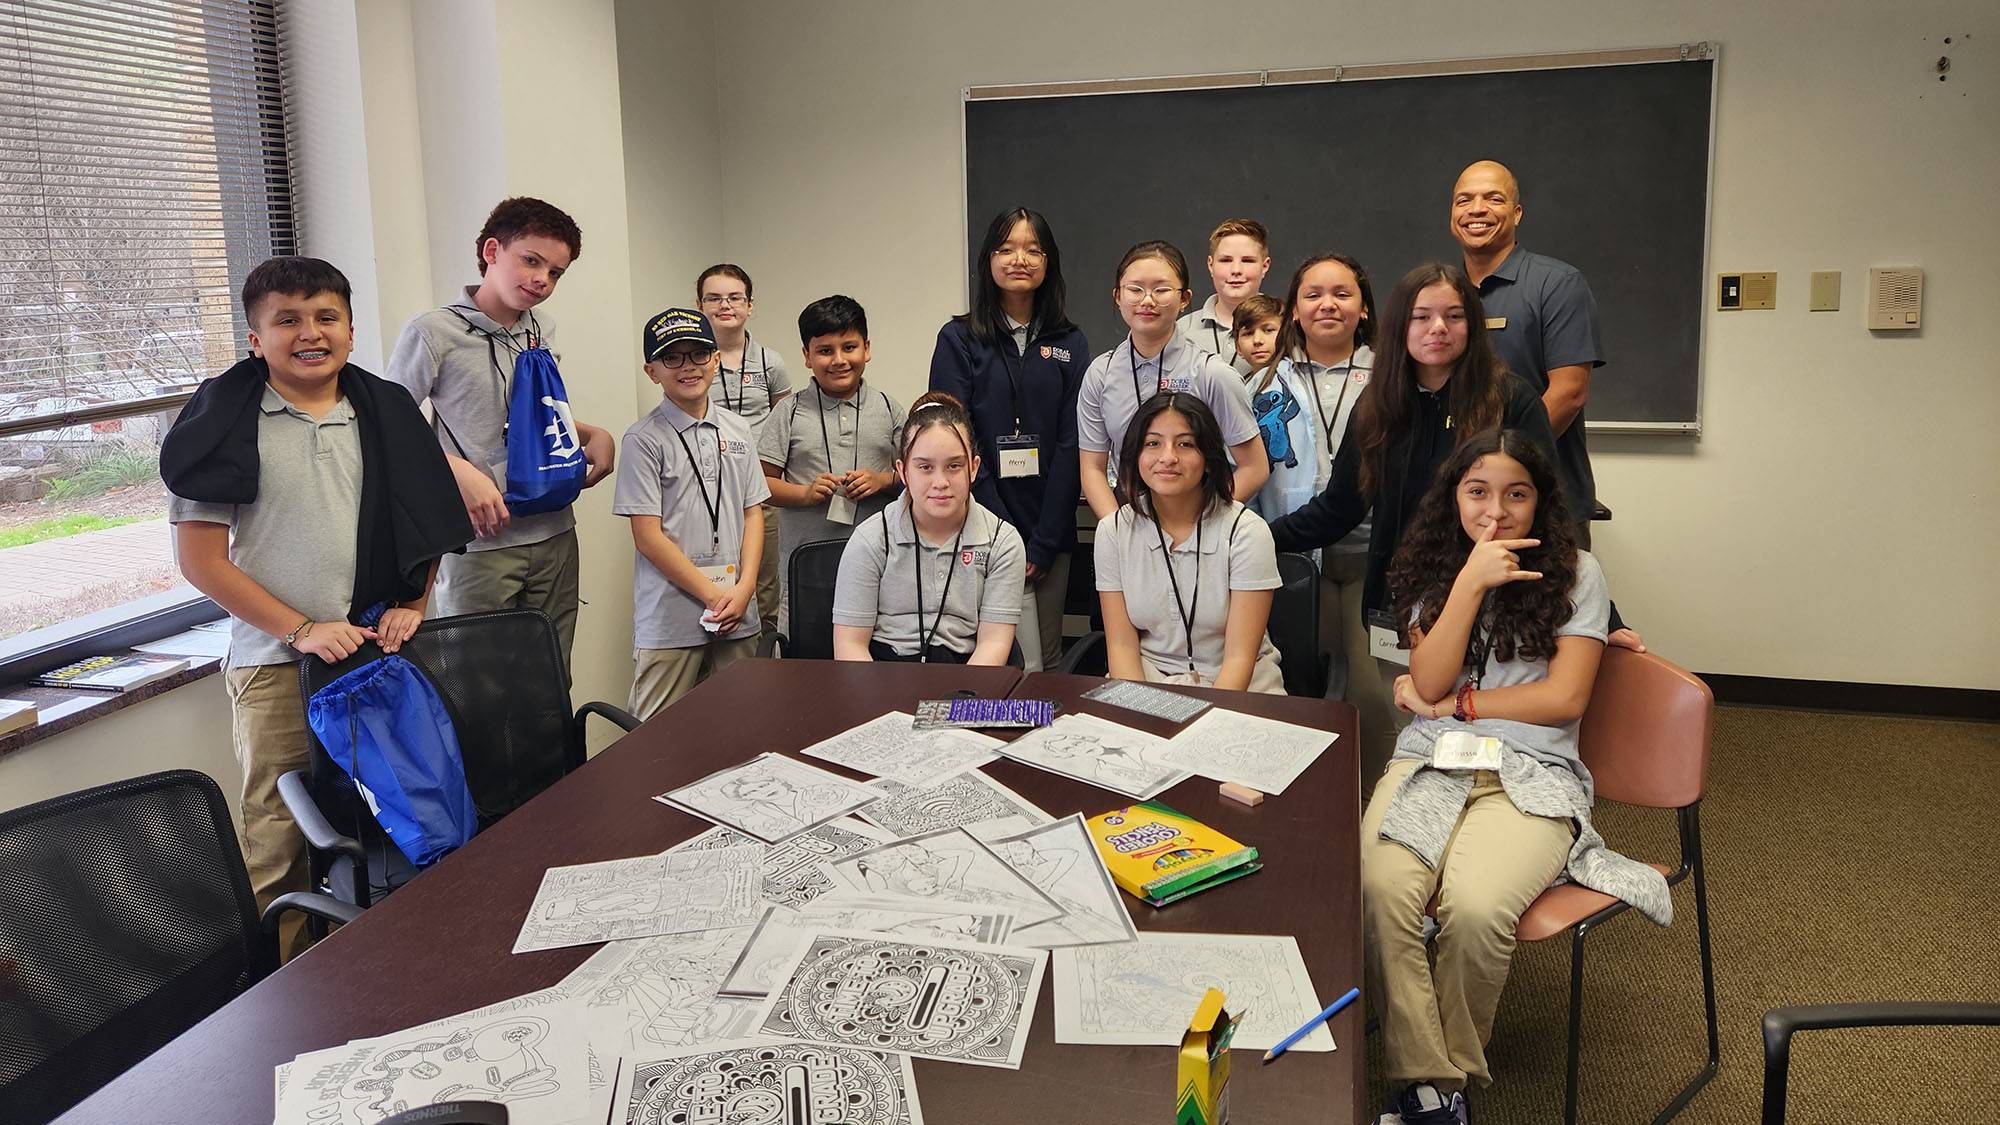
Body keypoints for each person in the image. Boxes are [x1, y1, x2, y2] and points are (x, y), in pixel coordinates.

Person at [163, 257, 472, 958]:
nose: (310, 333)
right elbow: (201, 561)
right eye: (288, 319)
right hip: (274, 666)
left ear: (351, 329)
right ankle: (285, 989)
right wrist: (300, 629)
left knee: (398, 820)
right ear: (254, 337)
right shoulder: (222, 425)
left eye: (326, 316)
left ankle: (392, 965)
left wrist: (414, 603)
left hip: (374, 658)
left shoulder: (386, 411)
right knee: (280, 836)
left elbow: (424, 519)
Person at [1360, 429, 1669, 1124]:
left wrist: (1459, 703)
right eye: (1478, 492)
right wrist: (1470, 580)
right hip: (1433, 759)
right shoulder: (1432, 565)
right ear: (1454, 497)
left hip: (1533, 771)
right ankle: (1433, 1089)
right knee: (1382, 887)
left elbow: (1563, 699)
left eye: (1516, 493)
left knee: (1474, 909)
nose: (1496, 510)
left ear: (1541, 501)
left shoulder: (1580, 574)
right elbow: (1430, 673)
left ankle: (1443, 1084)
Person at [1269, 262, 1558, 782]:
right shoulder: (1379, 405)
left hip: (1497, 601)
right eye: (1421, 317)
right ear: (1399, 326)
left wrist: (1609, 618)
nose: (1437, 329)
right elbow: (1341, 507)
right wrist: (1252, 540)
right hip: (1402, 602)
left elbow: (1554, 509)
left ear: (1472, 323)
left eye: (1452, 316)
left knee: (1476, 733)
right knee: (1404, 726)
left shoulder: (1509, 399)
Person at [384, 197, 615, 674]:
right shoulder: (433, 332)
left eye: (555, 272)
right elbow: (389, 429)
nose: (541, 281)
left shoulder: (540, 330)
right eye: (531, 261)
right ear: (492, 251)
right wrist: (458, 472)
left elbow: (534, 419)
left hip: (554, 531)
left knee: (551, 677)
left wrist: (594, 433)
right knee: (480, 687)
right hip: (480, 544)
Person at [929, 207, 1088, 672]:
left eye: (1033, 249)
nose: (1019, 259)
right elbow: (957, 441)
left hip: (1050, 526)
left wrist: (1041, 540)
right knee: (991, 655)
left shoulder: (1069, 341)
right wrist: (1005, 534)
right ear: (988, 260)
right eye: (1006, 248)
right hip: (979, 523)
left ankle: (1041, 744)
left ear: (1049, 262)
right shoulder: (958, 338)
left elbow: (1071, 441)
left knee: (1048, 657)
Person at [1242, 254, 1384, 718]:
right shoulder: (1263, 382)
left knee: (1371, 696)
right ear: (1294, 310)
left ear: (1364, 308)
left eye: (1342, 295)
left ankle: (1368, 789)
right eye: (1313, 295)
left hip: (1372, 556)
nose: (1328, 305)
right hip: (1288, 558)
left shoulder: (1391, 377)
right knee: (1300, 689)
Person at [614, 307, 767, 718]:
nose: (688, 367)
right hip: (671, 615)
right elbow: (647, 536)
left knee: (741, 725)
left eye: (699, 354)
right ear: (652, 371)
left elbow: (754, 513)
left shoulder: (739, 430)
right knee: (655, 739)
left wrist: (746, 588)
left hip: (738, 607)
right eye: (672, 358)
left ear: (716, 359)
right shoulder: (643, 440)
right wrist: (713, 595)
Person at [1449, 160, 1604, 545]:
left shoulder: (1557, 283)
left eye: (1493, 198)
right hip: (1461, 502)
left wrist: (1502, 465)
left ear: (1516, 213)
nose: (1477, 209)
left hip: (1544, 501)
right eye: (1464, 200)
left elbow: (1569, 392)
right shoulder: (1443, 292)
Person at [1094, 393, 1283, 693]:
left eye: (1185, 444)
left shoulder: (1246, 532)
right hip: (1148, 681)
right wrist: (1139, 713)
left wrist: (1202, 734)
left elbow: (1239, 659)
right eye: (1153, 443)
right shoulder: (1113, 531)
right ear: (1136, 456)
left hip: (1242, 687)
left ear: (1208, 459)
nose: (1168, 457)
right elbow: (1121, 649)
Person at [1078, 240, 1266, 521]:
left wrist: (1200, 522)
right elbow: (1092, 467)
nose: (1147, 300)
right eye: (1135, 289)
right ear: (1118, 296)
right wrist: (1116, 530)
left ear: (1185, 299)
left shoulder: (1212, 374)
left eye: (1162, 289)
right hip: (1127, 519)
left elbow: (1255, 467)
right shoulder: (1100, 374)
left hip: (1200, 524)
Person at [832, 392, 1025, 665]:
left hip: (968, 673)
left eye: (954, 466)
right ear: (903, 471)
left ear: (973, 468)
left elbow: (994, 643)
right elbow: (850, 646)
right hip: (884, 674)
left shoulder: (1002, 542)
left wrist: (960, 704)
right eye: (924, 467)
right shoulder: (871, 539)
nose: (940, 482)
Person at [759, 295, 907, 634]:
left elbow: (915, 475)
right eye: (825, 350)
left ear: (867, 349)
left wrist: (883, 481)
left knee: (872, 661)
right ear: (807, 357)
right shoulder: (789, 412)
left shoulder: (889, 408)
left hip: (879, 563)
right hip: (804, 567)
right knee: (805, 665)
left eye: (849, 347)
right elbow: (762, 484)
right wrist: (805, 494)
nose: (839, 360)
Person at [697, 264, 793, 649]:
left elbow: (786, 427)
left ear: (749, 305)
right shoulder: (691, 360)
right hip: (706, 496)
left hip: (760, 495)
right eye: (714, 298)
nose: (725, 305)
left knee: (765, 588)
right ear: (700, 305)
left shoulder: (771, 362)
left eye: (735, 297)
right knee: (710, 584)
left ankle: (764, 668)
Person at [1176, 218, 1272, 373]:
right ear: (1210, 265)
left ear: (1265, 266)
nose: (1236, 270)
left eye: (1247, 260)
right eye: (1225, 260)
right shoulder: (1182, 331)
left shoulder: (1285, 329)